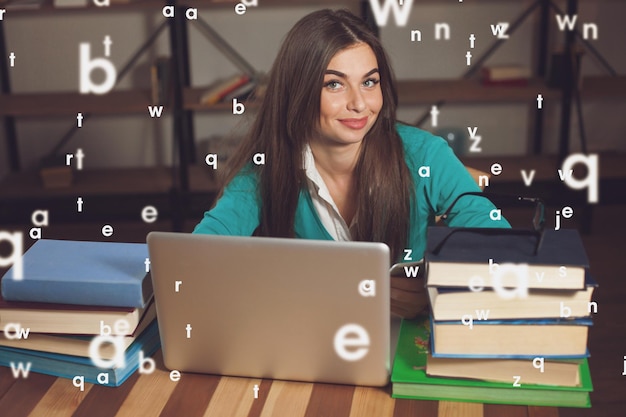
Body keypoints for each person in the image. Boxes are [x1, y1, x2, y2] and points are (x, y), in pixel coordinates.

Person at [193, 9, 510, 318]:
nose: (359, 104)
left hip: (403, 346)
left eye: (369, 82)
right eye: (334, 84)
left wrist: (434, 291)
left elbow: (501, 251)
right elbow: (197, 259)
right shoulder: (264, 171)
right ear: (297, 92)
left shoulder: (426, 155)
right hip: (309, 342)